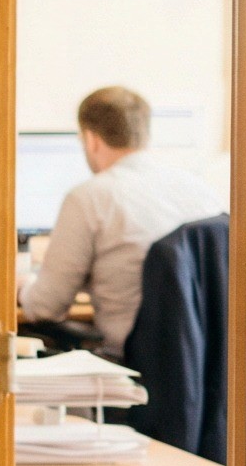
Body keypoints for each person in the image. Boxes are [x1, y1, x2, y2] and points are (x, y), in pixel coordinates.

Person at [18, 85, 225, 355]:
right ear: (144, 133)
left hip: (132, 364)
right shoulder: (201, 191)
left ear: (91, 139)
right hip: (206, 363)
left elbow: (45, 307)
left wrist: (23, 285)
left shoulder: (89, 197)